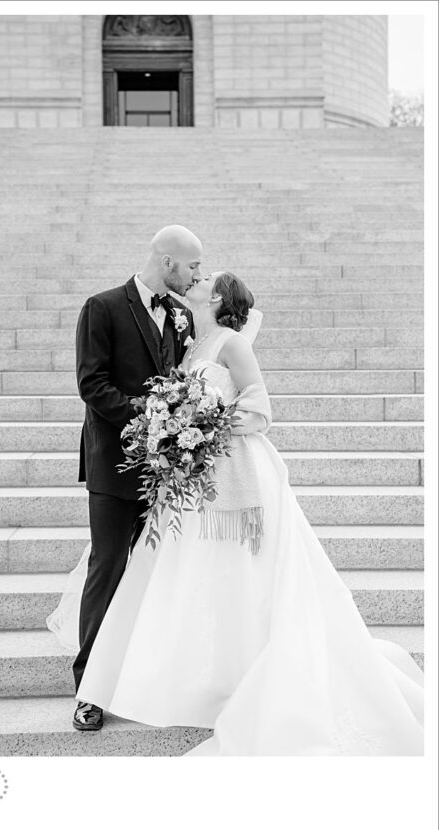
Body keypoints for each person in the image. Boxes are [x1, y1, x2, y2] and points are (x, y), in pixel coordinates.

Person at [48, 272, 424, 754]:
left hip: (233, 472)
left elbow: (260, 407)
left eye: (205, 278)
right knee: (188, 574)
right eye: (196, 271)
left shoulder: (233, 344)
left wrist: (207, 426)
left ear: (219, 298)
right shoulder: (191, 342)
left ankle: (240, 676)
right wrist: (176, 426)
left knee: (239, 576)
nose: (197, 278)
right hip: (193, 477)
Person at [70, 225, 199, 730]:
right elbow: (92, 384)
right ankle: (89, 689)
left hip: (165, 471)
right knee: (107, 569)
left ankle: (142, 678)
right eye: (192, 266)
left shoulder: (184, 317)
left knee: (157, 575)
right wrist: (148, 417)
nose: (197, 276)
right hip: (113, 465)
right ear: (168, 262)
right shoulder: (101, 308)